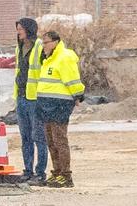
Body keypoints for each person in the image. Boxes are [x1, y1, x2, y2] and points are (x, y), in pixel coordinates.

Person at [34, 27, 84, 188]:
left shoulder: (64, 58)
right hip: (46, 105)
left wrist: (78, 95)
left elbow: (72, 80)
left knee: (59, 140)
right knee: (51, 140)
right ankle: (57, 172)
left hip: (59, 106)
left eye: (46, 43)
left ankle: (66, 174)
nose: (43, 46)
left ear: (55, 42)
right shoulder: (49, 59)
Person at [12, 17, 47, 183]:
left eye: (20, 29)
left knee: (38, 137)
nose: (18, 32)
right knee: (25, 137)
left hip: (35, 98)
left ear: (29, 30)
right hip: (21, 97)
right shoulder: (19, 47)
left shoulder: (40, 46)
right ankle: (28, 170)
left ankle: (40, 172)